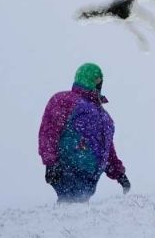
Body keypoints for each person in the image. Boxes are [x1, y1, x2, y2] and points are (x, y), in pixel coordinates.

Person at [38, 62, 131, 203]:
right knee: (69, 206)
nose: (100, 84)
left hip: (89, 178)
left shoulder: (103, 116)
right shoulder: (65, 101)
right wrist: (51, 162)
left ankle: (64, 222)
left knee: (78, 212)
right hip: (68, 169)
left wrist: (118, 173)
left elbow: (106, 147)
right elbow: (49, 130)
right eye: (98, 80)